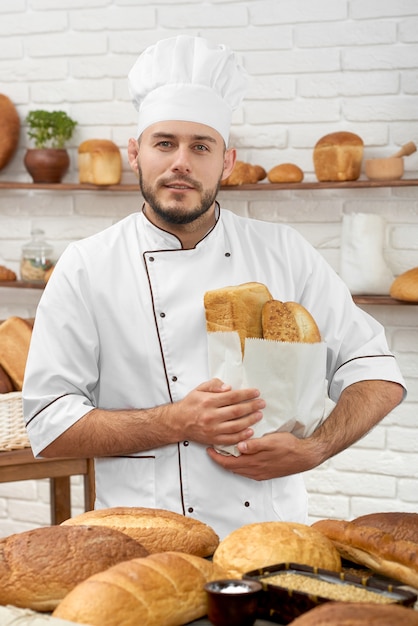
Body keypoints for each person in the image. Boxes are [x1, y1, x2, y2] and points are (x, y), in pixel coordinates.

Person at [23, 35, 405, 540]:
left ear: (226, 161)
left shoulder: (283, 252)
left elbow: (377, 373)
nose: (181, 161)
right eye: (164, 143)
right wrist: (177, 421)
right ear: (136, 154)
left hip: (269, 537)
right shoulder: (86, 267)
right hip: (141, 541)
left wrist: (316, 448)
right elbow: (49, 425)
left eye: (200, 146)